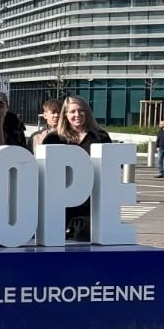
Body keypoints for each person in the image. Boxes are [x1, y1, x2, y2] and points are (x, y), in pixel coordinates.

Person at [40, 96, 112, 241]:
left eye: (81, 110)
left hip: (91, 204)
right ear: (65, 115)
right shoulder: (54, 139)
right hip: (60, 205)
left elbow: (112, 169)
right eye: (72, 111)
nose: (77, 115)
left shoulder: (100, 137)